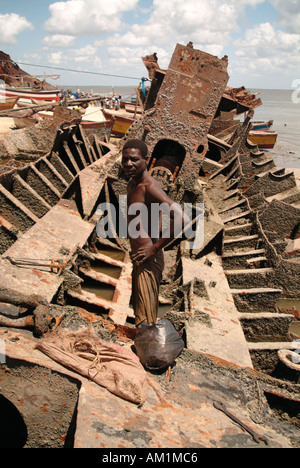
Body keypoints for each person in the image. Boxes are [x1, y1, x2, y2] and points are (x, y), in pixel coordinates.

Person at [121, 139, 187, 328]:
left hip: (149, 260)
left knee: (146, 321)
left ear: (146, 160)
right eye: (125, 159)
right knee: (140, 313)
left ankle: (149, 356)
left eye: (134, 159)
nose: (128, 164)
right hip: (140, 258)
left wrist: (154, 248)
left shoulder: (149, 186)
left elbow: (182, 218)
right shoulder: (132, 184)